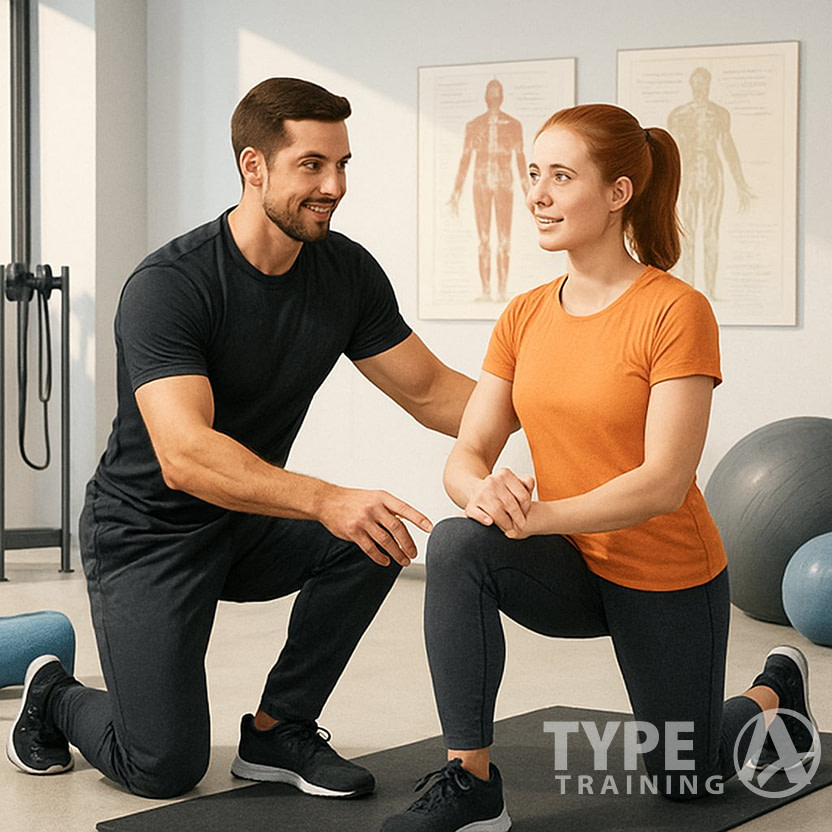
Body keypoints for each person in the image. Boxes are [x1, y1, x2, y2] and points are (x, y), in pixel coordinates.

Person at [6, 77, 474, 801]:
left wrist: (571, 409)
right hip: (146, 532)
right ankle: (54, 696)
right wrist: (324, 498)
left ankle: (278, 730)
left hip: (244, 522)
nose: (335, 186)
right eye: (312, 165)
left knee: (372, 536)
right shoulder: (171, 285)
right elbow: (186, 454)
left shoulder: (344, 272)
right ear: (254, 166)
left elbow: (435, 393)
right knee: (160, 766)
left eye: (343, 164)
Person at [381, 103, 817, 832]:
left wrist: (538, 514)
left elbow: (663, 481)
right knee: (458, 542)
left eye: (560, 176)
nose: (538, 195)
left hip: (664, 573)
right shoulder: (523, 315)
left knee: (687, 776)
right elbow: (469, 450)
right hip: (571, 568)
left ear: (618, 193)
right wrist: (482, 492)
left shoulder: (675, 311)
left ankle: (774, 689)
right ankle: (472, 783)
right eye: (532, 175)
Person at [667, 67, 755, 299]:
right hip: (687, 174)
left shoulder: (719, 114)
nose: (700, 88)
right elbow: (670, 153)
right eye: (696, 83)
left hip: (713, 174)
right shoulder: (678, 115)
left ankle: (711, 290)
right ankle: (687, 291)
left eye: (703, 83)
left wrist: (740, 183)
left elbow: (728, 147)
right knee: (686, 232)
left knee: (710, 231)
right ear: (691, 85)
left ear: (708, 84)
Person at [448, 79, 529, 303]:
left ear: (501, 96)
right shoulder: (475, 125)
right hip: (481, 184)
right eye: (490, 93)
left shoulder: (513, 125)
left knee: (504, 239)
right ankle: (486, 290)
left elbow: (521, 159)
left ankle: (501, 290)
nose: (493, 97)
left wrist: (529, 192)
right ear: (486, 96)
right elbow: (465, 159)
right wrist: (456, 192)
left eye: (497, 93)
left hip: (504, 184)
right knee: (484, 239)